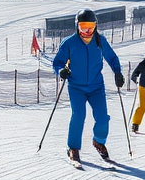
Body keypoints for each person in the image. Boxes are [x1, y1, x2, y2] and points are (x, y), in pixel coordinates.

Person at [53, 8, 124, 163]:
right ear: (77, 26)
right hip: (76, 87)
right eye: (83, 26)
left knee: (103, 117)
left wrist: (117, 72)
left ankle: (98, 141)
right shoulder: (70, 43)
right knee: (78, 116)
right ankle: (73, 148)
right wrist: (61, 71)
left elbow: (112, 58)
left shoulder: (100, 41)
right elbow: (57, 62)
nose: (87, 30)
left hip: (96, 87)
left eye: (90, 26)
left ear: (95, 26)